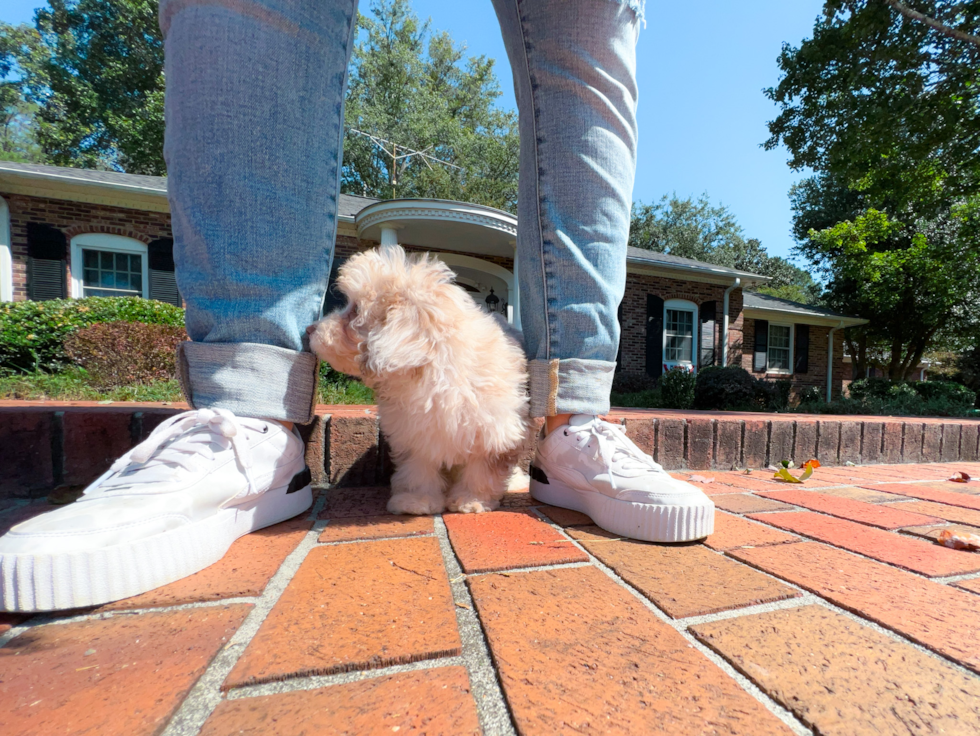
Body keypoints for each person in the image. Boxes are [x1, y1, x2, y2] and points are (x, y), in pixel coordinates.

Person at [0, 0, 713, 612]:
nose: (333, 332)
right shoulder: (403, 379)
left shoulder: (471, 369)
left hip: (489, 428)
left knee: (588, 32)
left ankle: (571, 418)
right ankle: (249, 419)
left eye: (352, 320)